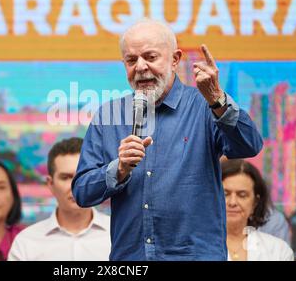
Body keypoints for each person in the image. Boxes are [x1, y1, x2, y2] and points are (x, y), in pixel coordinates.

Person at [72, 18, 263, 261]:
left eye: (150, 57)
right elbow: (81, 192)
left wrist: (217, 99)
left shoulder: (204, 105)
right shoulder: (109, 115)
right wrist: (118, 169)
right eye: (131, 60)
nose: (140, 67)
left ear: (175, 59)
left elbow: (249, 145)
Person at [8, 137, 110, 261]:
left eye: (83, 176)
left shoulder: (119, 236)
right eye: (66, 177)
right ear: (50, 184)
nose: (75, 185)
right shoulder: (26, 242)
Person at [221, 159, 294, 261]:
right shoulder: (194, 248)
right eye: (225, 194)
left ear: (255, 202)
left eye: (242, 195)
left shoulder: (278, 250)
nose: (232, 202)